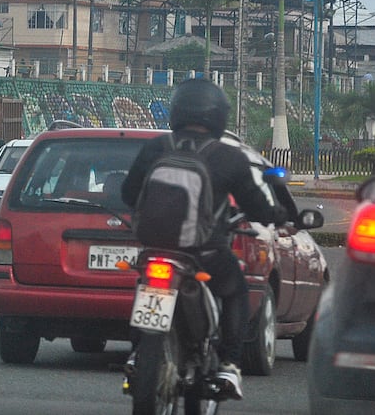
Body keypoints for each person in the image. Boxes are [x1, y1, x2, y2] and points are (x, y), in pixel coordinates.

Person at [119, 78, 288, 401]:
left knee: (146, 290)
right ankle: (229, 364)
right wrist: (277, 214)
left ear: (177, 111)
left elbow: (129, 194)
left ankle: (136, 353)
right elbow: (256, 206)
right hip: (205, 253)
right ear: (218, 117)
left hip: (155, 250)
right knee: (236, 288)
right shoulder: (229, 157)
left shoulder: (156, 148)